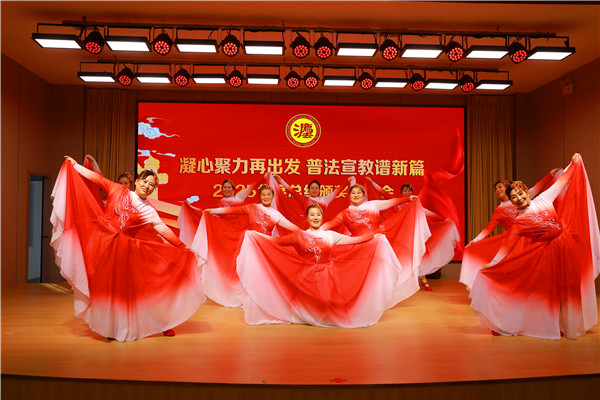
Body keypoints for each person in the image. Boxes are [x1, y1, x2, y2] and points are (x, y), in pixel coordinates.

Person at [50, 156, 205, 342]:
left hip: (126, 252)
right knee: (107, 290)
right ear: (137, 181)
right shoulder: (118, 189)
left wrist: (182, 246)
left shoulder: (149, 211)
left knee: (143, 289)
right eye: (145, 182)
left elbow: (164, 230)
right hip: (102, 244)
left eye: (151, 185)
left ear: (154, 189)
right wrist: (76, 166)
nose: (147, 186)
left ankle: (164, 323)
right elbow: (97, 179)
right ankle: (110, 327)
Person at [470, 154, 599, 340]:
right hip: (549, 252)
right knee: (546, 290)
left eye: (520, 194)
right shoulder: (518, 222)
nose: (519, 198)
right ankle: (513, 321)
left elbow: (562, 181)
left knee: (569, 286)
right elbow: (507, 246)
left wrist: (574, 163)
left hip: (566, 244)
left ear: (526, 192)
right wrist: (493, 263)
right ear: (511, 202)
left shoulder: (544, 198)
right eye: (514, 197)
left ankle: (568, 324)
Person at [235, 204, 420, 327]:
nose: (315, 217)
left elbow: (353, 241)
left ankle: (322, 318)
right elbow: (276, 242)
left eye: (318, 215)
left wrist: (373, 236)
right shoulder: (299, 235)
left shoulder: (330, 235)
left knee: (326, 303)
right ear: (307, 218)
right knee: (300, 302)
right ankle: (304, 317)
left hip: (325, 275)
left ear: (322, 217)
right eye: (312, 215)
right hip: (304, 275)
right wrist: (255, 236)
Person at [190, 184, 302, 307]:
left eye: (268, 195)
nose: (266, 197)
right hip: (249, 246)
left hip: (265, 247)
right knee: (247, 272)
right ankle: (245, 298)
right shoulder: (252, 207)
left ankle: (259, 299)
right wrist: (214, 210)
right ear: (260, 196)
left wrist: (307, 233)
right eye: (263, 195)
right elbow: (233, 210)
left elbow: (293, 228)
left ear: (272, 196)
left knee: (261, 274)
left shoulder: (276, 214)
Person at [460, 168, 561, 291]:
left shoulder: (522, 196)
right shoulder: (499, 210)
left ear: (507, 188)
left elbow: (538, 186)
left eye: (500, 187)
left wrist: (550, 175)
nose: (497, 190)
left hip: (530, 238)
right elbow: (488, 228)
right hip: (512, 239)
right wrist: (475, 241)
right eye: (495, 189)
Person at [322, 183, 431, 280]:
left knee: (382, 273)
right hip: (358, 247)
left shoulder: (373, 205)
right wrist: (316, 231)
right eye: (353, 193)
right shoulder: (345, 213)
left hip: (377, 243)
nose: (356, 195)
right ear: (349, 196)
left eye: (359, 193)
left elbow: (391, 202)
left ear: (363, 195)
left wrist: (408, 199)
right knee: (361, 275)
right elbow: (330, 223)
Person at [368, 178, 460, 291]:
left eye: (409, 190)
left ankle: (423, 279)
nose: (407, 192)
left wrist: (443, 219)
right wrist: (372, 183)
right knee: (397, 257)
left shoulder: (416, 205)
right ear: (401, 193)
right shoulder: (397, 203)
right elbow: (384, 193)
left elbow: (428, 213)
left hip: (412, 235)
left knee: (417, 255)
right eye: (405, 190)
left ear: (412, 192)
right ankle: (394, 281)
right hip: (398, 235)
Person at [178, 174, 268, 246]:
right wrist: (190, 208)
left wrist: (264, 178)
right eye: (225, 187)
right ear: (221, 189)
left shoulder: (239, 198)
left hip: (240, 232)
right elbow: (208, 215)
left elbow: (252, 187)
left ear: (233, 189)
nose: (227, 189)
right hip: (225, 234)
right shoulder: (218, 203)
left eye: (229, 187)